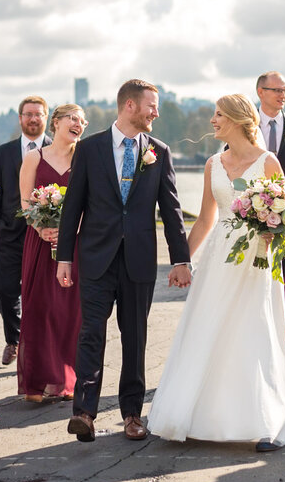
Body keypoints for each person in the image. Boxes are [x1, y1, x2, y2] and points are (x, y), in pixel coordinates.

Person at [148, 94, 285, 453]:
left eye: (217, 115)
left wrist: (270, 231)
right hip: (219, 259)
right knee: (209, 328)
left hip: (257, 259)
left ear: (235, 119)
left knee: (254, 330)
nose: (212, 121)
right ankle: (200, 417)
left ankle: (265, 422)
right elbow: (205, 219)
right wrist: (182, 260)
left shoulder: (268, 162)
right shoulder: (213, 163)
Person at [57, 79, 191, 443]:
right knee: (91, 334)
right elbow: (73, 208)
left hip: (139, 261)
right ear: (130, 106)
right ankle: (84, 412)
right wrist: (64, 257)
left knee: (135, 338)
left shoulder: (159, 152)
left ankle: (132, 414)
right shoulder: (89, 148)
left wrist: (181, 259)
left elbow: (172, 210)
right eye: (152, 105)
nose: (156, 113)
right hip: (96, 258)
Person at [16, 103, 86, 403]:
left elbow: (91, 203)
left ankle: (65, 378)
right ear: (56, 123)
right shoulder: (34, 157)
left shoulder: (84, 159)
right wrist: (41, 227)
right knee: (39, 307)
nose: (78, 124)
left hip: (76, 245)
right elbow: (24, 203)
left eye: (83, 121)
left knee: (68, 311)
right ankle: (37, 380)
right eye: (73, 118)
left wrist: (71, 230)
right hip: (39, 241)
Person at [0, 96, 51, 366]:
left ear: (46, 118)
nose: (33, 119)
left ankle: (38, 343)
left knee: (41, 293)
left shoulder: (58, 149)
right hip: (8, 233)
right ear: (20, 118)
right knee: (3, 288)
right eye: (28, 114)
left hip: (45, 234)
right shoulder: (3, 152)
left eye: (38, 114)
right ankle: (14, 340)